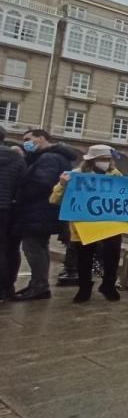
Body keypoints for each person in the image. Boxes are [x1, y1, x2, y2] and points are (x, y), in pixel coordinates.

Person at [50, 145, 125, 303]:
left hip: (109, 222)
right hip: (83, 223)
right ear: (92, 160)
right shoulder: (76, 175)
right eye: (103, 159)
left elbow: (123, 194)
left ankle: (108, 285)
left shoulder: (115, 174)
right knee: (84, 257)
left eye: (108, 159)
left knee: (112, 254)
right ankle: (84, 288)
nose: (106, 162)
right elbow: (55, 199)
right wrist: (62, 184)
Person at [11, 129, 77, 301]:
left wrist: (19, 196)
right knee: (39, 246)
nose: (25, 142)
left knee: (32, 247)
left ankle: (39, 285)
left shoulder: (49, 158)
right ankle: (38, 284)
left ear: (41, 138)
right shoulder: (52, 156)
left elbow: (41, 183)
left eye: (28, 139)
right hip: (44, 210)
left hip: (39, 210)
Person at [0, 127, 26, 301]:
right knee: (8, 248)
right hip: (8, 209)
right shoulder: (16, 157)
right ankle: (6, 288)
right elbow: (22, 184)